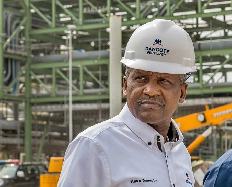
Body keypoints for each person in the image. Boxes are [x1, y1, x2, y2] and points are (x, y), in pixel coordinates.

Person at [57, 19, 196, 187]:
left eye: (164, 81)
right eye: (140, 78)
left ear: (182, 92)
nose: (150, 90)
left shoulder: (179, 153)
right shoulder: (94, 147)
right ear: (125, 85)